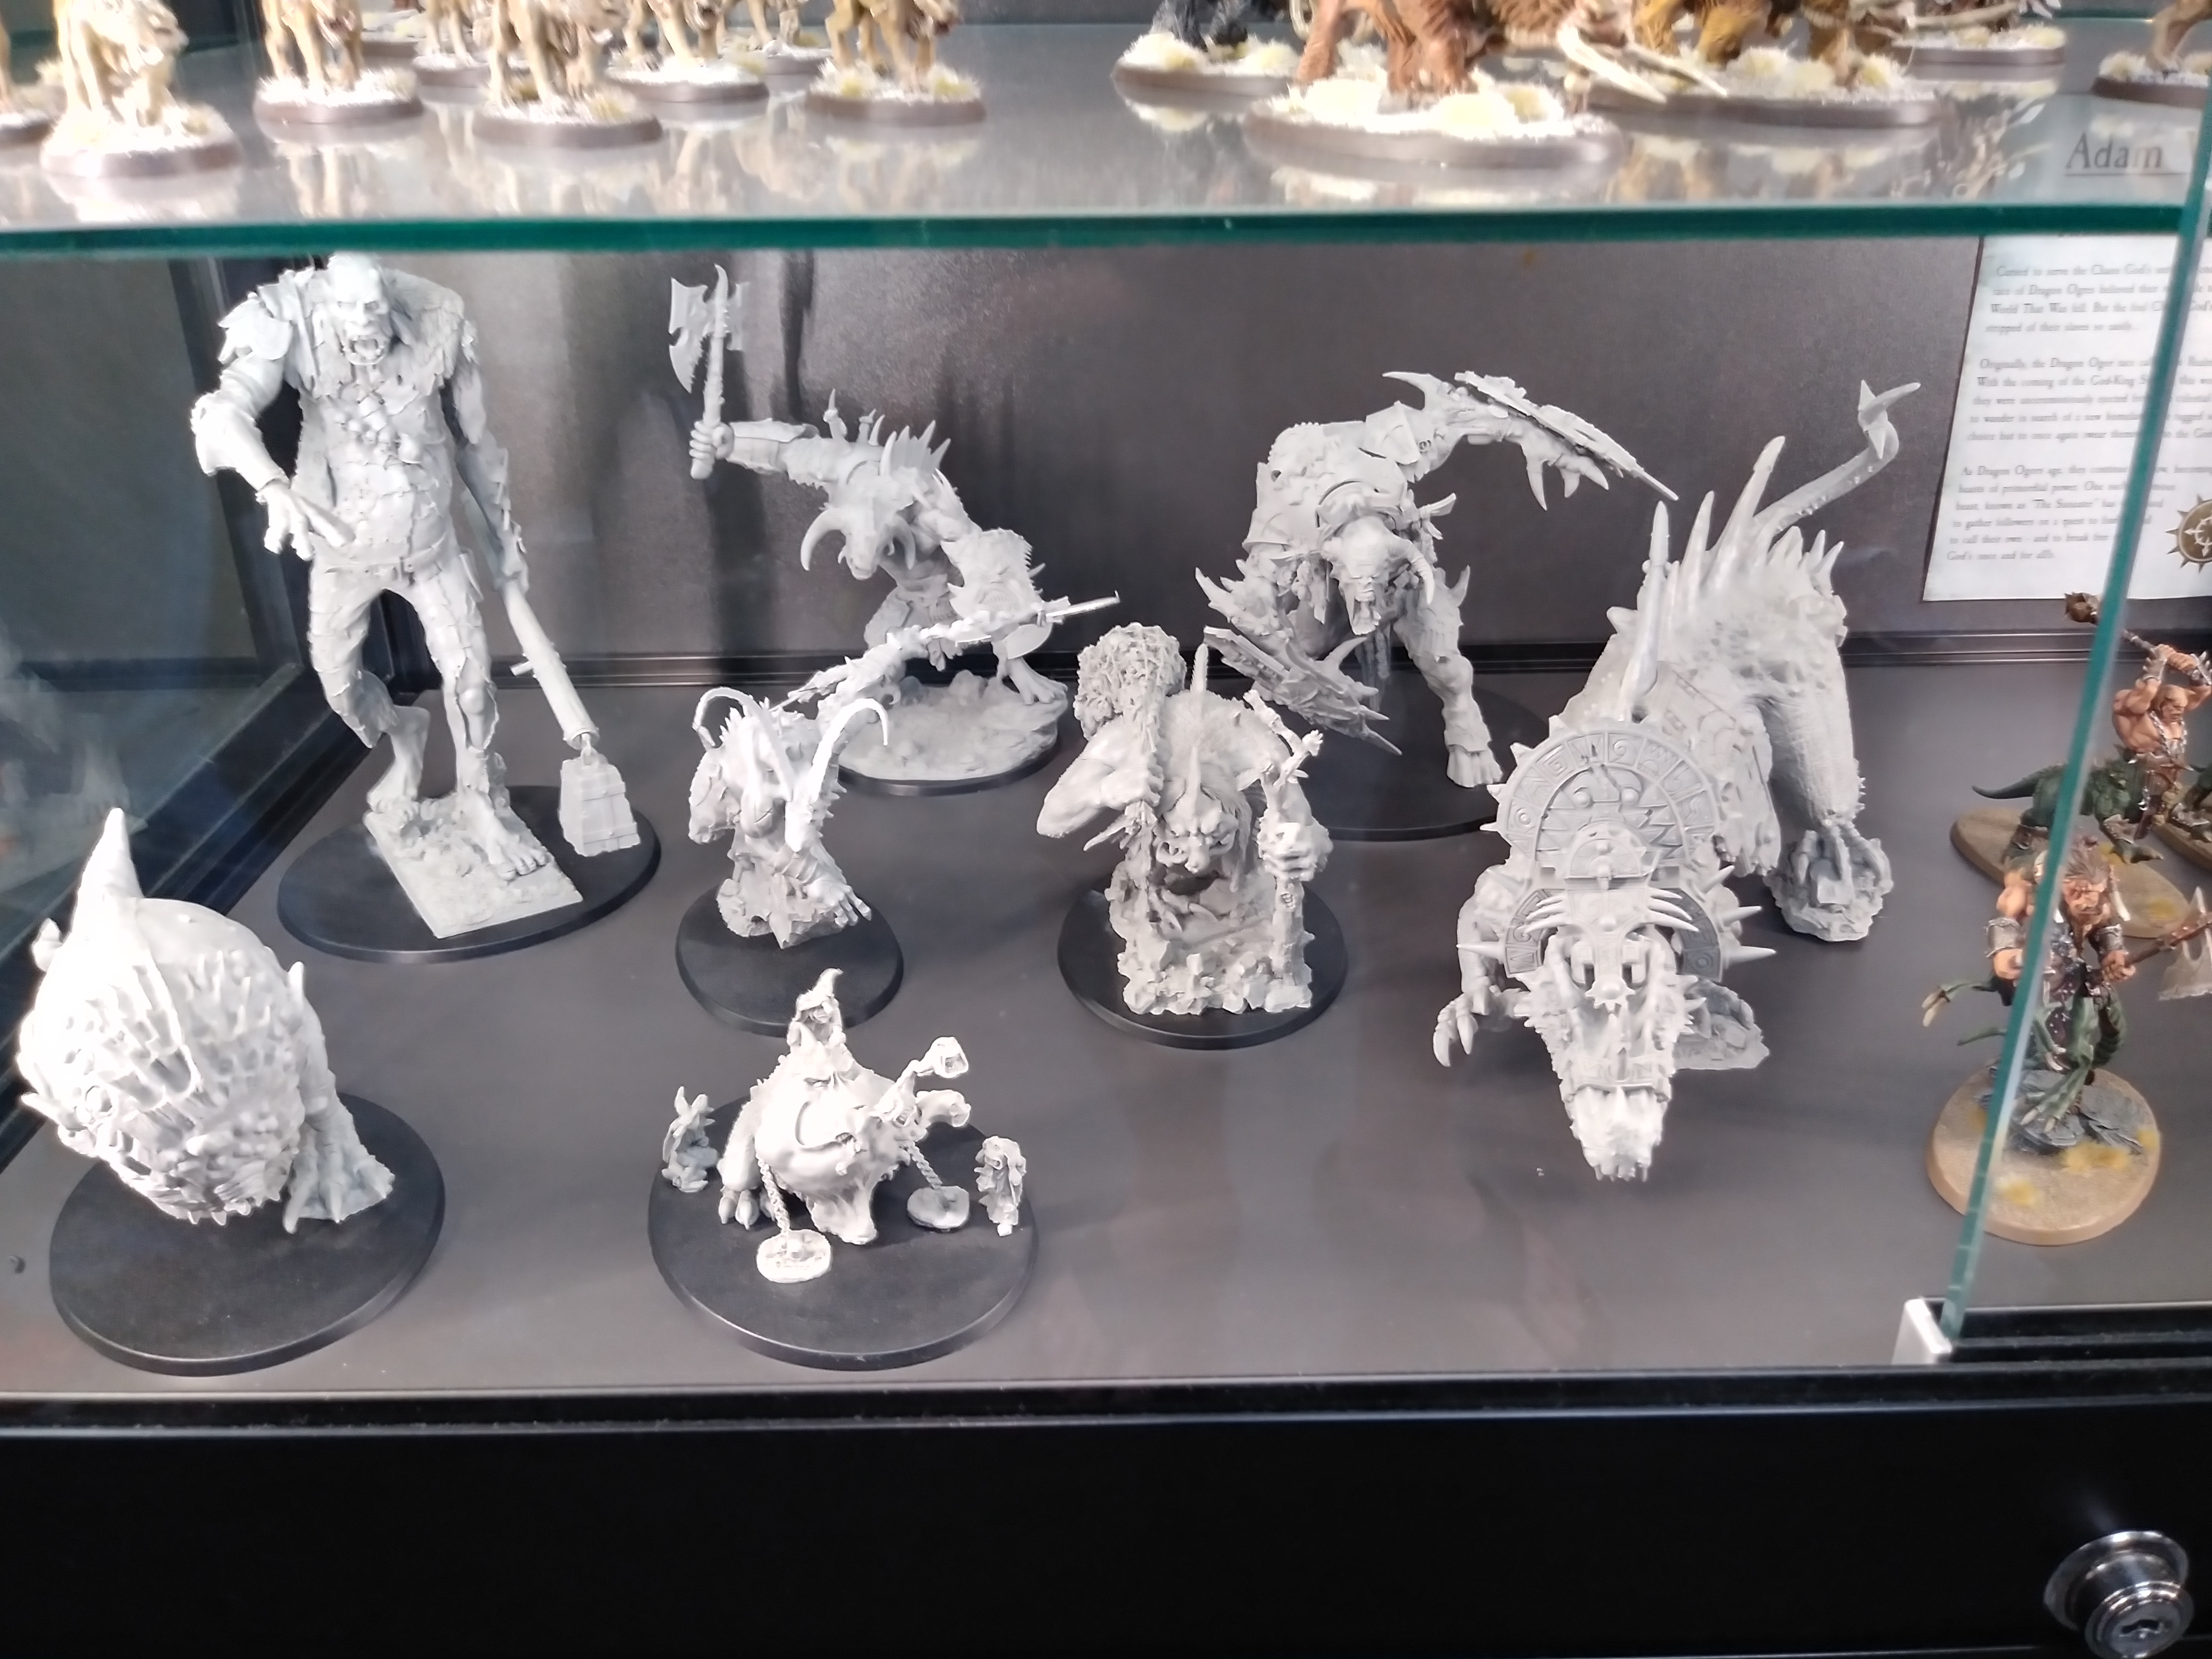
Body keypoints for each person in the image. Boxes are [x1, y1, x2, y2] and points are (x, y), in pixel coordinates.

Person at [191, 251, 545, 880]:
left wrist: (504, 535)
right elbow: (223, 413)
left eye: (374, 311)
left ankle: (481, 802)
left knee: (471, 683)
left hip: (432, 547)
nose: (364, 326)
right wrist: (272, 486)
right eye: (351, 313)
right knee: (340, 689)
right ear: (329, 307)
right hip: (344, 551)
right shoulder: (291, 318)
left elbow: (475, 442)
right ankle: (405, 733)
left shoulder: (438, 317)